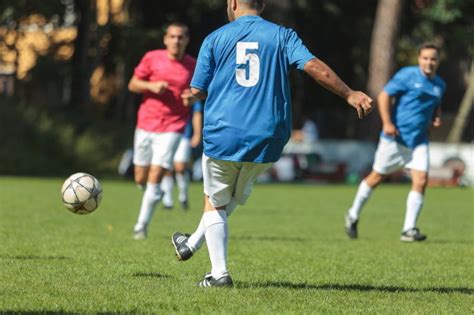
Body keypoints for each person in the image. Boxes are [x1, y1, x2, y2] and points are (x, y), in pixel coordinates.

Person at [171, 0, 373, 287]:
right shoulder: (282, 35)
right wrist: (349, 93)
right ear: (263, 5)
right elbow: (314, 67)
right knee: (226, 201)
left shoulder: (215, 38)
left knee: (214, 203)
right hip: (269, 137)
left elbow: (198, 90)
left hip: (224, 133)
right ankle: (190, 243)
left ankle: (219, 274)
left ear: (232, 3)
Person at [344, 42, 446, 242]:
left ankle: (408, 229)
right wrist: (387, 122)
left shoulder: (440, 84)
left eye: (433, 59)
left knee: (421, 180)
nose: (429, 62)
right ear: (419, 59)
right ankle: (353, 214)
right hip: (395, 138)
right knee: (376, 177)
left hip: (419, 141)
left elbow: (436, 105)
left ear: (438, 61)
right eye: (425, 58)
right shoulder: (407, 75)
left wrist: (436, 118)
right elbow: (384, 96)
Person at [128, 22, 197, 240]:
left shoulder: (193, 65)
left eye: (181, 37)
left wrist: (194, 97)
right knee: (141, 177)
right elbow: (133, 84)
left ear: (186, 40)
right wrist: (151, 86)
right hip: (146, 124)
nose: (176, 41)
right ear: (165, 39)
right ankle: (154, 194)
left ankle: (140, 226)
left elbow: (203, 91)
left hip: (174, 126)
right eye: (173, 37)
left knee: (157, 173)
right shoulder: (152, 58)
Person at [161, 101, 203, 210]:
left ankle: (183, 196)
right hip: (165, 133)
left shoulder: (189, 90)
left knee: (180, 167)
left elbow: (197, 113)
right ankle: (167, 200)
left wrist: (197, 134)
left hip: (184, 134)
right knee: (166, 167)